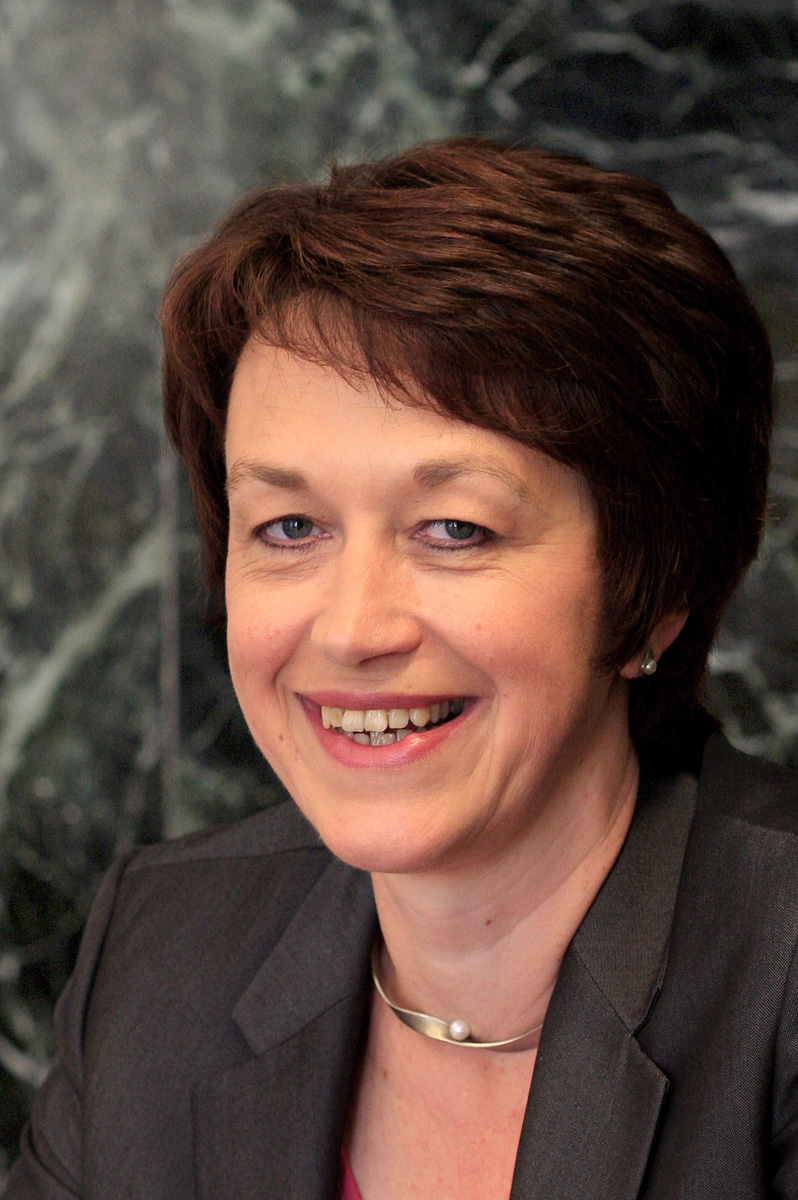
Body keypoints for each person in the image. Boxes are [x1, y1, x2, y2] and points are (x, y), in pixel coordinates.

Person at [5, 136, 798, 1200]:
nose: (351, 629)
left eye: (455, 529)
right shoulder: (163, 951)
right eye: (289, 527)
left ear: (654, 588)